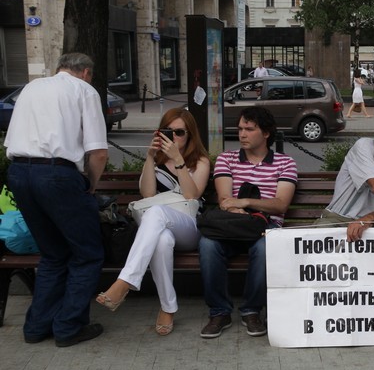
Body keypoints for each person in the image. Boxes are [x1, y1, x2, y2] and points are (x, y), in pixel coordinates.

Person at [4, 52, 108, 347]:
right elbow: (99, 152)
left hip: (19, 172)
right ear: (86, 72)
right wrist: (90, 185)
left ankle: (37, 326)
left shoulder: (32, 87)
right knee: (87, 253)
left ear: (59, 68)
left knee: (52, 254)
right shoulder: (84, 90)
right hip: (57, 175)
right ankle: (69, 327)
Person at [95, 108, 210, 335]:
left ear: (190, 135)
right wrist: (149, 157)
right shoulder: (156, 160)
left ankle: (125, 282)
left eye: (179, 132)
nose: (174, 137)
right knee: (162, 240)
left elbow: (192, 195)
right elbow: (147, 193)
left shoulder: (200, 161)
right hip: (161, 227)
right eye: (168, 131)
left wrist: (178, 161)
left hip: (188, 227)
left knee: (156, 212)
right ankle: (168, 307)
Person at [198, 106, 297, 338]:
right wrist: (238, 207)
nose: (242, 134)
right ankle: (219, 312)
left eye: (249, 129)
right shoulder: (226, 159)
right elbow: (224, 200)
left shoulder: (285, 163)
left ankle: (252, 310)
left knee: (265, 248)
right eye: (240, 128)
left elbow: (281, 204)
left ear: (266, 133)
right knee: (207, 245)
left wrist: (244, 202)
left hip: (266, 227)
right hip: (231, 226)